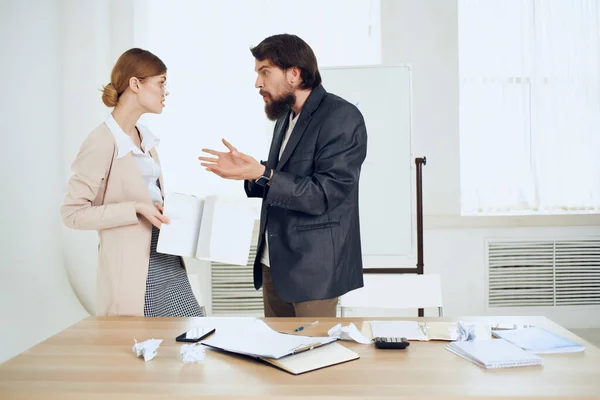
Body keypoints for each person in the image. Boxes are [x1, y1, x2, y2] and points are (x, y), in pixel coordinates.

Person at [199, 34, 367, 317]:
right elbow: (286, 175)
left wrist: (263, 173)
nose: (257, 83)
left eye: (265, 72)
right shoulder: (285, 118)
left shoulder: (342, 117)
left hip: (314, 273)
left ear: (294, 74)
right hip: (273, 264)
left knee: (313, 357)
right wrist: (249, 173)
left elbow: (324, 193)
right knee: (276, 356)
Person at [62, 48, 204, 317]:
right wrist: (135, 208)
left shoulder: (145, 139)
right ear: (136, 84)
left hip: (165, 255)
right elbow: (72, 214)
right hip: (132, 270)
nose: (166, 91)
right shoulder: (101, 142)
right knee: (147, 348)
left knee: (187, 337)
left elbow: (148, 196)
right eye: (161, 83)